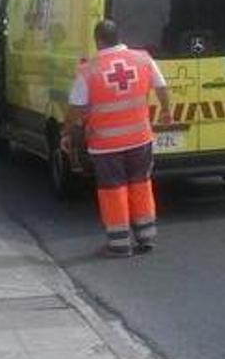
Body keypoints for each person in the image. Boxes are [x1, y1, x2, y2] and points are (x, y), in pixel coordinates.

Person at [62, 19, 172, 258]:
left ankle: (120, 243)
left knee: (113, 191)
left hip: (106, 145)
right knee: (141, 185)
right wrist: (165, 110)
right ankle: (146, 236)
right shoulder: (142, 59)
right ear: (118, 37)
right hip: (140, 139)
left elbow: (76, 108)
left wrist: (66, 130)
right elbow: (162, 87)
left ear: (98, 40)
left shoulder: (89, 70)